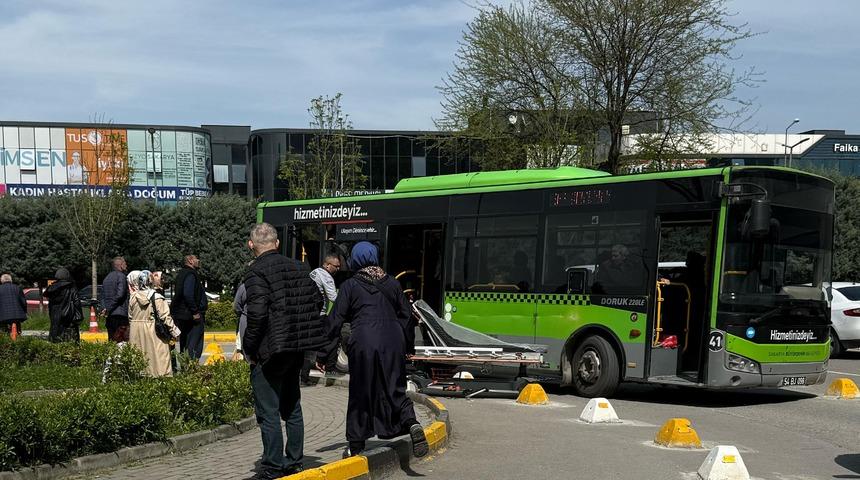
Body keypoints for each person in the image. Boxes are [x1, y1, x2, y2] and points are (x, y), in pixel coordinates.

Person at [324, 241, 429, 459]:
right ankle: (412, 423)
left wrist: (324, 354)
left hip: (363, 341)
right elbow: (407, 316)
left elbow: (335, 320)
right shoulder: (391, 283)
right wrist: (406, 346)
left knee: (361, 392)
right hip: (393, 341)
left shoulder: (350, 286)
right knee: (395, 388)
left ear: (355, 260)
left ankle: (356, 445)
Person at [244, 223, 327, 479]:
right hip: (296, 348)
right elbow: (317, 300)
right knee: (292, 407)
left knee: (267, 410)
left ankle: (271, 466)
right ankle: (295, 460)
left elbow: (256, 314)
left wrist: (249, 348)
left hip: (270, 350)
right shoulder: (300, 267)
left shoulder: (256, 271)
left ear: (251, 245)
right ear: (277, 243)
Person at [128, 270, 181, 377]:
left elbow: (130, 316)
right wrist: (175, 332)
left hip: (136, 331)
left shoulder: (133, 297)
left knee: (141, 355)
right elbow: (166, 317)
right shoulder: (157, 298)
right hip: (153, 331)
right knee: (159, 357)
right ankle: (161, 380)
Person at [301, 254, 342, 384]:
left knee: (309, 346)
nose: (338, 269)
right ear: (327, 265)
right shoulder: (326, 277)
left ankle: (307, 375)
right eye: (336, 266)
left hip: (308, 314)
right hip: (319, 315)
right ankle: (325, 369)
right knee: (332, 338)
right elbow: (333, 298)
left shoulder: (314, 272)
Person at [170, 254, 208, 360]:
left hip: (183, 315)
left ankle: (185, 367)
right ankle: (190, 368)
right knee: (193, 344)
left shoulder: (182, 274)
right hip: (191, 317)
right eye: (196, 259)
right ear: (190, 261)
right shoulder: (190, 274)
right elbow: (187, 294)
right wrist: (195, 312)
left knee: (185, 343)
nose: (198, 261)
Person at [43, 268, 81, 343]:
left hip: (55, 322)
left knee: (56, 345)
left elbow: (50, 307)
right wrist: (78, 318)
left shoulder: (52, 290)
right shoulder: (71, 288)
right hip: (69, 322)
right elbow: (77, 304)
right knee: (71, 347)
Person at [102, 257, 129, 342]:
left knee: (112, 340)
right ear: (120, 265)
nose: (126, 265)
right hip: (120, 314)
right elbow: (120, 295)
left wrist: (105, 308)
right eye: (125, 263)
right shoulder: (122, 276)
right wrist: (109, 307)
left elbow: (102, 296)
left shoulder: (106, 278)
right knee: (122, 341)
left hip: (110, 316)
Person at [233, 282, 248, 362]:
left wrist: (241, 313)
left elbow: (236, 306)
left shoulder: (244, 287)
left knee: (242, 349)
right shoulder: (266, 284)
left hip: (246, 319)